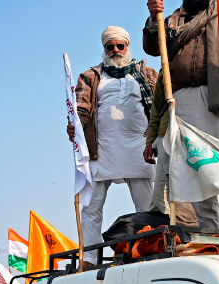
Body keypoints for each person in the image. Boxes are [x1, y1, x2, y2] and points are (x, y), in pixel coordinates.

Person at [143, 0, 219, 229]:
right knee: (199, 168)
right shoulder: (171, 21)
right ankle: (211, 235)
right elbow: (153, 48)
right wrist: (153, 16)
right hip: (183, 100)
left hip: (218, 98)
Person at [66, 26, 158, 265]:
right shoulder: (91, 76)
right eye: (110, 46)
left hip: (139, 149)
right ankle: (89, 258)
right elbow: (81, 110)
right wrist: (75, 126)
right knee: (91, 207)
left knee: (147, 208)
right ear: (104, 49)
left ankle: (150, 251)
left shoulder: (146, 73)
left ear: (127, 47)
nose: (116, 50)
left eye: (120, 46)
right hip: (101, 149)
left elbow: (160, 108)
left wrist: (156, 133)